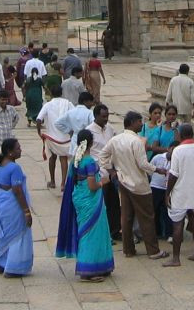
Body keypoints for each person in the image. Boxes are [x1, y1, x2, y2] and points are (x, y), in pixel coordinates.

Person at [99, 111, 167, 259]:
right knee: (147, 217)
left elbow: (102, 156)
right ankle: (153, 251)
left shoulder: (115, 140)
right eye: (139, 121)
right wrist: (158, 170)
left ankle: (128, 249)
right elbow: (143, 164)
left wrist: (112, 171)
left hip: (123, 181)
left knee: (126, 217)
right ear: (132, 123)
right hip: (139, 185)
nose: (141, 124)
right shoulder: (136, 141)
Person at [55, 131, 115, 281]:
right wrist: (103, 182)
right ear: (91, 143)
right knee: (92, 233)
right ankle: (89, 269)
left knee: (86, 231)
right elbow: (92, 186)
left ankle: (99, 265)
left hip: (79, 198)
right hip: (91, 200)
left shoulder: (76, 160)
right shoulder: (89, 162)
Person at [163, 124, 194, 267]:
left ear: (180, 135)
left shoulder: (178, 150)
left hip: (180, 191)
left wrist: (167, 192)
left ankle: (176, 258)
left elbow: (173, 174)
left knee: (178, 224)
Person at [0, 138, 34, 277]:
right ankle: (13, 268)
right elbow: (17, 191)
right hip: (12, 207)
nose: (20, 150)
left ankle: (0, 264)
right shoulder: (15, 168)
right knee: (17, 234)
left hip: (0, 205)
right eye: (18, 148)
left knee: (4, 234)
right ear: (10, 152)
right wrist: (26, 212)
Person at [84, 104, 121, 240]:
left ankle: (114, 231)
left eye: (107, 116)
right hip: (98, 173)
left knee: (114, 203)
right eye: (103, 116)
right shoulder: (89, 131)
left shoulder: (110, 128)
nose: (106, 119)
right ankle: (102, 234)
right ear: (96, 116)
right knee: (101, 204)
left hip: (111, 171)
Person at [35, 79, 73, 190]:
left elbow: (38, 119)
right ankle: (63, 184)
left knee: (52, 158)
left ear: (51, 94)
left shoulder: (48, 105)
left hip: (51, 137)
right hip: (65, 137)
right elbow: (74, 114)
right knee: (63, 158)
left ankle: (52, 181)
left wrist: (39, 132)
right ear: (62, 93)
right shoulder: (68, 103)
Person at [150, 149, 172, 241]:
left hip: (168, 189)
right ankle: (156, 232)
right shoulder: (157, 157)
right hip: (155, 187)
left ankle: (169, 234)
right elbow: (150, 169)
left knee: (167, 212)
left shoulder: (176, 160)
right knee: (154, 211)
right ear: (169, 148)